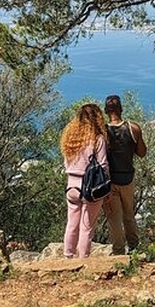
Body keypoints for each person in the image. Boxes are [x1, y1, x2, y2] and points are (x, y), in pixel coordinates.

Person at [60, 103, 110, 259]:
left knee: (71, 224)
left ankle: (68, 256)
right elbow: (103, 165)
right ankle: (83, 258)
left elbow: (66, 162)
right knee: (87, 227)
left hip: (71, 186)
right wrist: (107, 186)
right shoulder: (97, 139)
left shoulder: (70, 138)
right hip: (90, 187)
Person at [102, 95, 147, 255]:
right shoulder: (133, 128)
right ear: (121, 108)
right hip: (127, 178)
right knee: (129, 215)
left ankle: (118, 251)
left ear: (106, 111)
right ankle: (134, 247)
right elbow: (142, 153)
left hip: (109, 181)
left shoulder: (102, 131)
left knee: (114, 218)